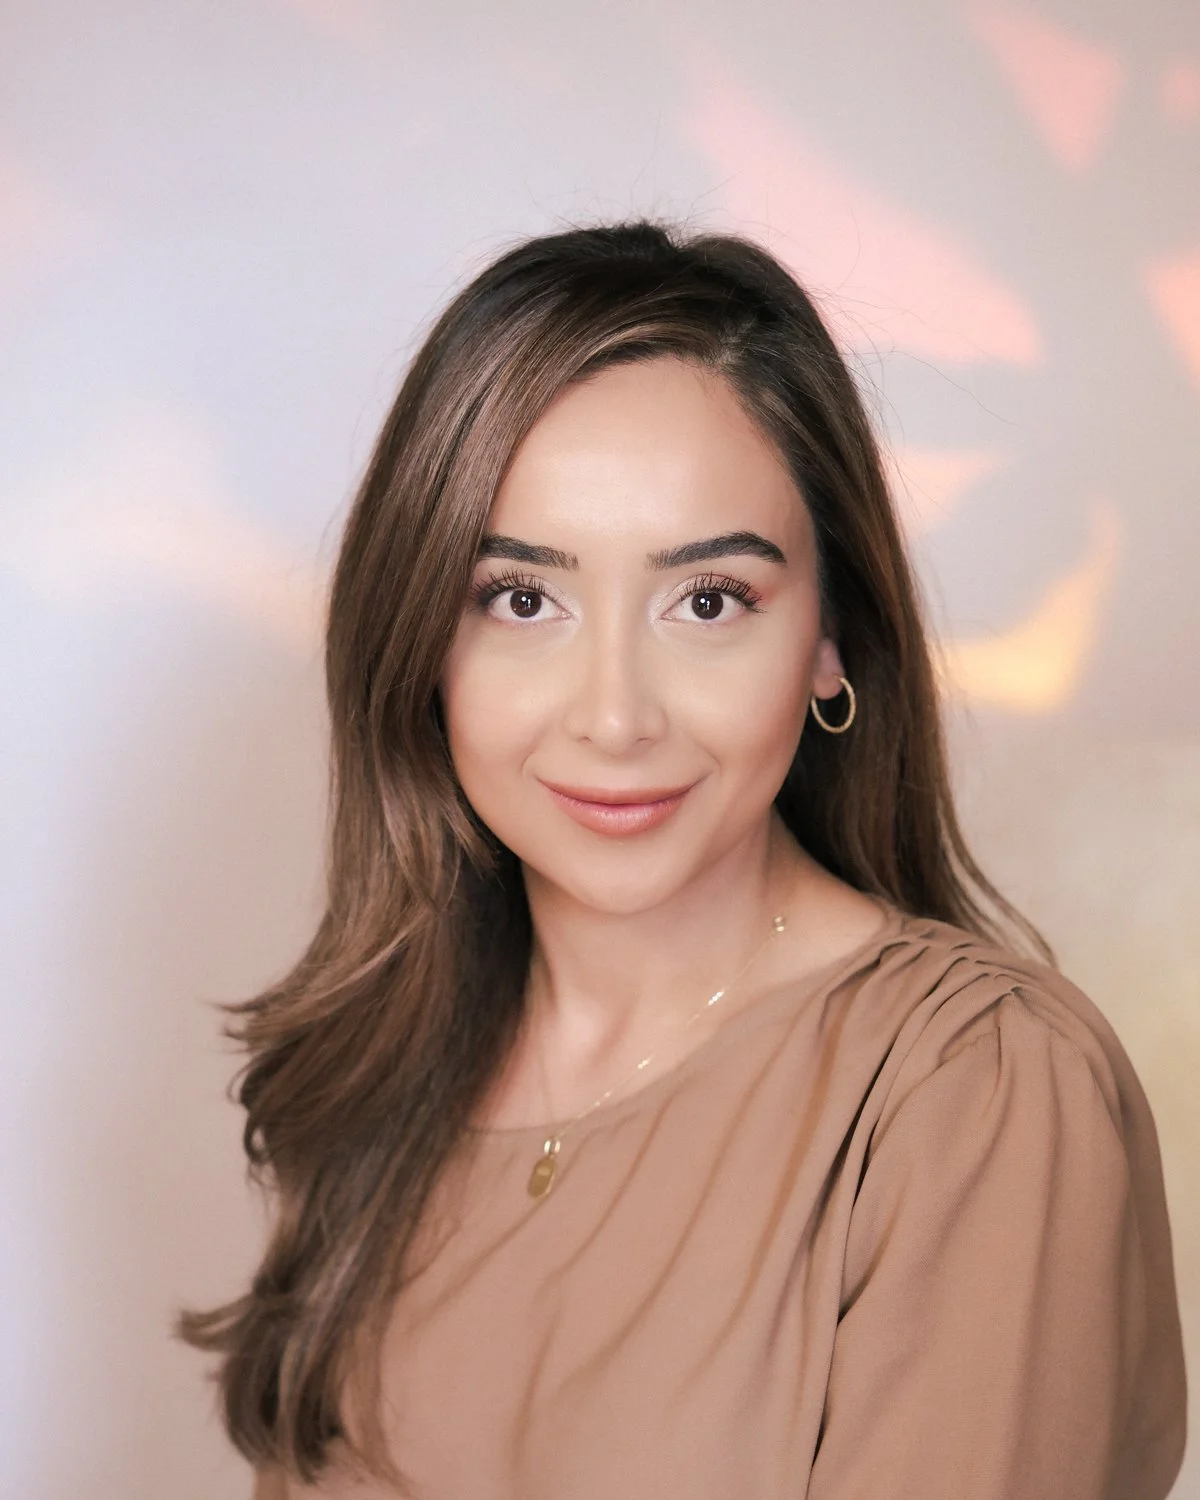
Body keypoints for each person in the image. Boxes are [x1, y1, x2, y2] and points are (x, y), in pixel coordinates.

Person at [181, 219, 1188, 1499]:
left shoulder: (972, 1091)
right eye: (522, 598)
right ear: (423, 643)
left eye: (706, 601)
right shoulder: (381, 1085)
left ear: (833, 638)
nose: (613, 715)